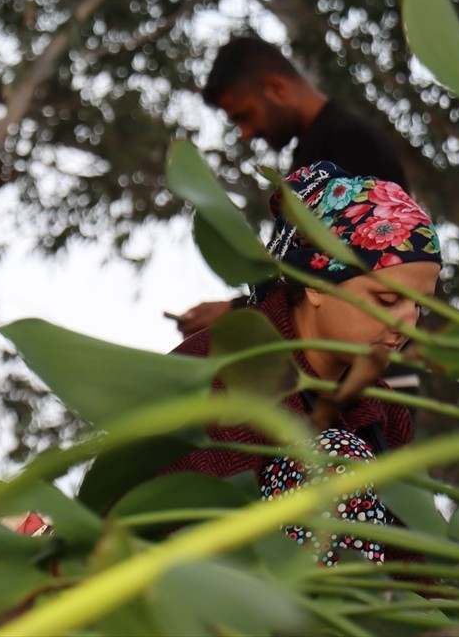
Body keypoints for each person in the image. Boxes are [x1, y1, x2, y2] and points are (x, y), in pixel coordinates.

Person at [164, 161, 442, 483]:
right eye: (387, 301)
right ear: (316, 283)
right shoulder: (223, 376)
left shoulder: (386, 413)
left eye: (421, 306)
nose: (408, 324)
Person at [172, 35, 411, 338]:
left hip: (367, 364)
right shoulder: (317, 152)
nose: (245, 133)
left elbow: (336, 273)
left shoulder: (348, 143)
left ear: (276, 88)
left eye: (244, 116)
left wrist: (237, 313)